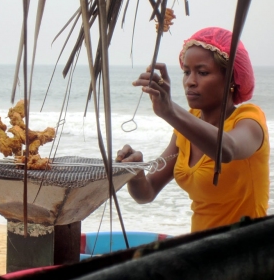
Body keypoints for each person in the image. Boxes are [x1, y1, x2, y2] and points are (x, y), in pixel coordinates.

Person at [116, 27, 270, 233]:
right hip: (200, 252)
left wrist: (170, 111)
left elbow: (227, 149)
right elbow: (147, 192)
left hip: (245, 255)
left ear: (231, 79)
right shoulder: (187, 127)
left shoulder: (249, 120)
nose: (190, 82)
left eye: (203, 72)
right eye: (187, 72)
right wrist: (136, 174)